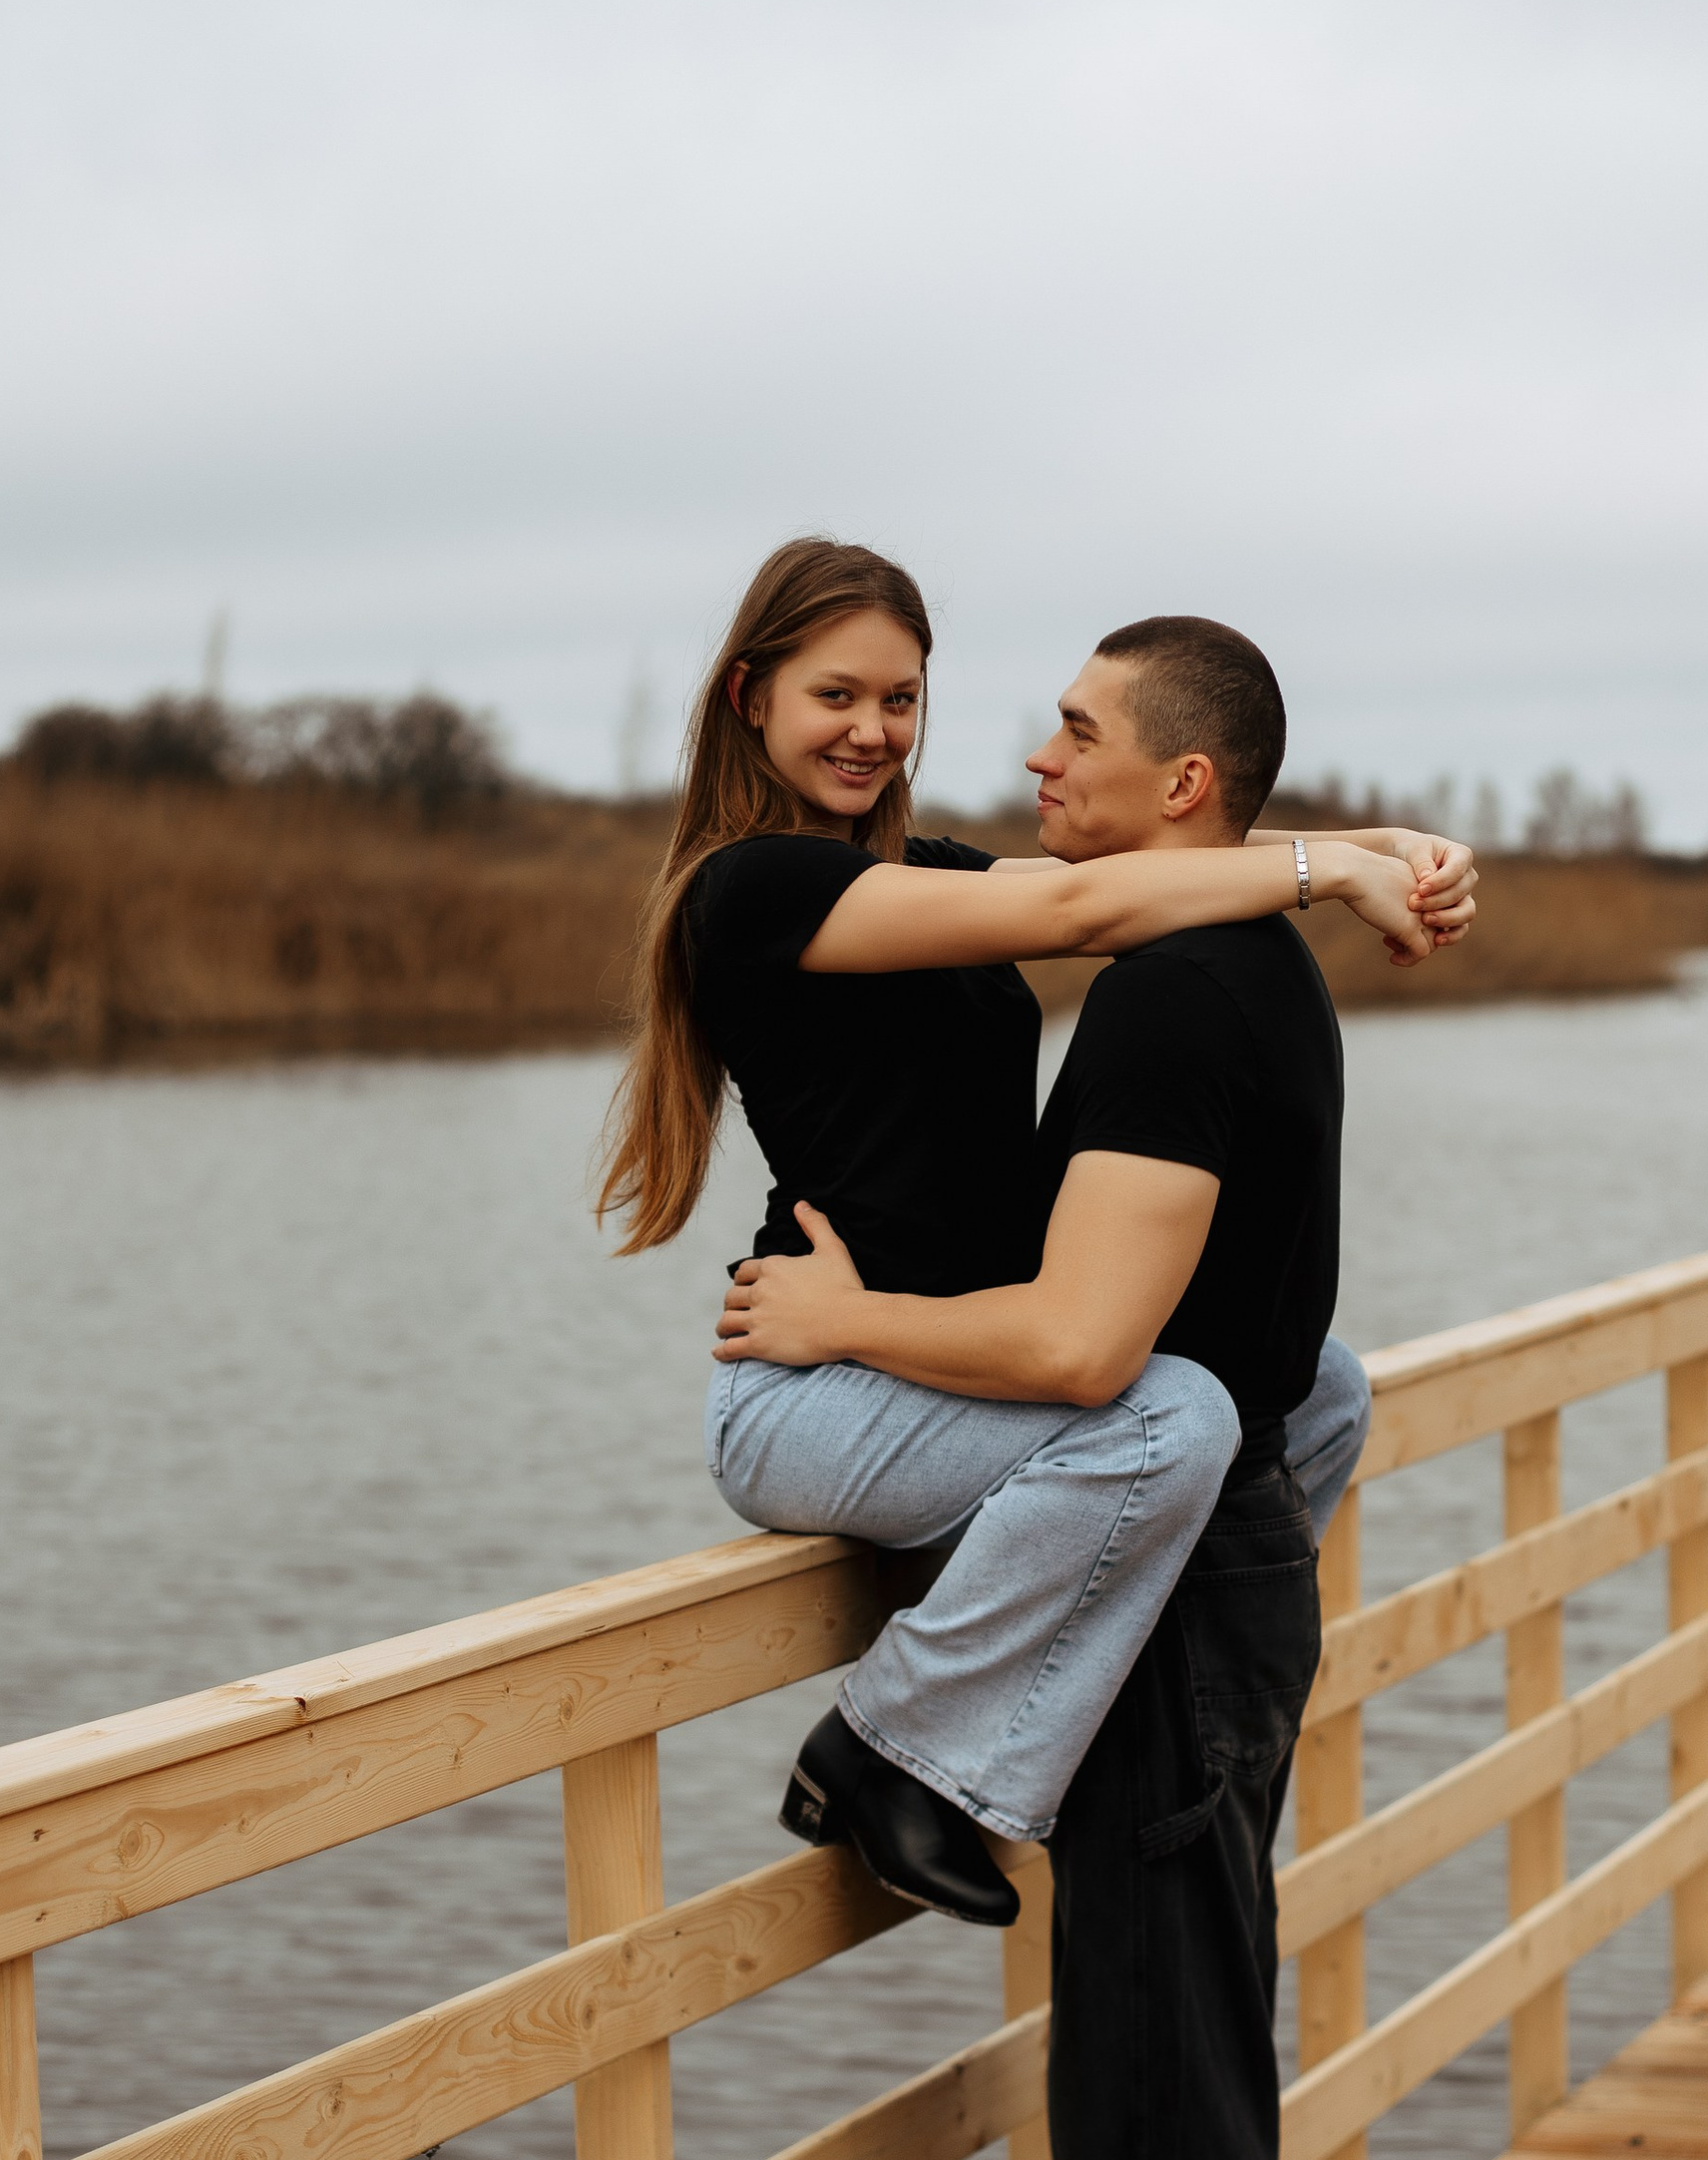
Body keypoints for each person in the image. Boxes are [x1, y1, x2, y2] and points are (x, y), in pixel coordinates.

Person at [715, 612, 1367, 2160]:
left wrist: (835, 1330)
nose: (1033, 752)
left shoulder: (1174, 990)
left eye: (1076, 728)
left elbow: (1094, 1354)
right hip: (1215, 1582)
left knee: (1158, 2104)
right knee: (1165, 2079)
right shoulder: (1230, 963)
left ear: (1184, 784)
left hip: (1181, 1611)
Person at [602, 538, 1472, 1925]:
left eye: (900, 699)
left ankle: (1133, 1668)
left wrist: (1389, 853)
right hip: (817, 1378)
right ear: (750, 696)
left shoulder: (926, 872)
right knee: (1174, 1415)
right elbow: (1079, 904)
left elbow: (1144, 862)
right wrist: (1328, 871)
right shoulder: (751, 890)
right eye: (836, 695)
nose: (872, 729)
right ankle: (888, 1750)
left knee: (1313, 1387)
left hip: (940, 1361)